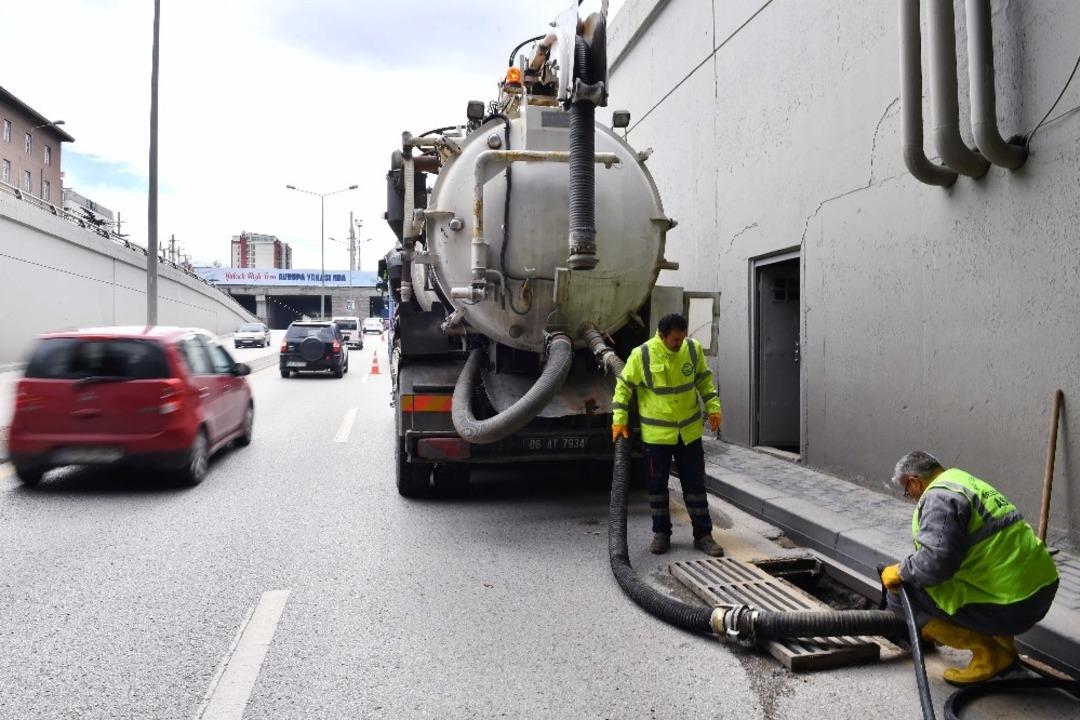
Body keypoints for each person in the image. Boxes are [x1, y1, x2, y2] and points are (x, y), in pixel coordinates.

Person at [881, 451, 1059, 685]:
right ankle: (1004, 648)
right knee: (981, 573)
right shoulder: (964, 481)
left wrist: (901, 571)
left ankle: (989, 655)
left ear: (915, 481)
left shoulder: (938, 498)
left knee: (900, 596)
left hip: (1013, 605)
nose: (910, 496)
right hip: (1039, 590)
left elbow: (935, 565)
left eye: (907, 490)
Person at [611, 313, 724, 556]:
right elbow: (623, 387)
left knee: (695, 486)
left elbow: (704, 380)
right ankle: (661, 534)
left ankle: (703, 535)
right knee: (657, 487)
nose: (680, 343)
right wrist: (619, 420)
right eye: (675, 339)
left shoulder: (692, 350)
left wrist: (713, 407)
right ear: (662, 336)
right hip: (657, 438)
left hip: (689, 434)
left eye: (683, 337)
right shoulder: (642, 355)